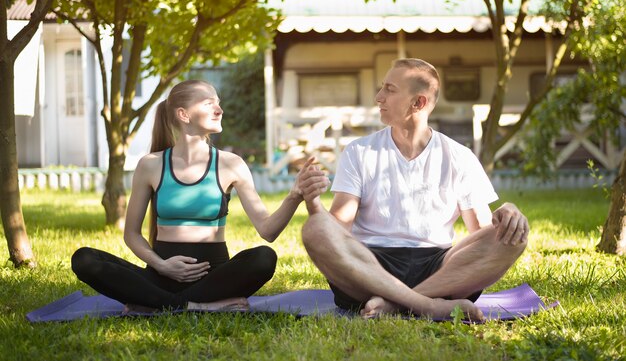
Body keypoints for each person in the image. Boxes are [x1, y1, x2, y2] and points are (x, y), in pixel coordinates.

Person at [298, 58, 529, 321]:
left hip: (440, 270)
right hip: (368, 268)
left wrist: (508, 211)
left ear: (418, 103)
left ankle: (396, 303)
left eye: (389, 89)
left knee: (515, 234)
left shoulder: (458, 156)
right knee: (315, 227)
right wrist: (313, 205)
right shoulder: (359, 152)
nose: (378, 97)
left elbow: (485, 230)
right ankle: (427, 306)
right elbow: (340, 227)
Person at [72, 80, 314, 312]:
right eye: (209, 103)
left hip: (214, 280)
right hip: (161, 274)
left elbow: (268, 231)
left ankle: (157, 305)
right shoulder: (151, 165)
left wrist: (294, 196)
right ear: (184, 115)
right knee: (84, 259)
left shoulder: (230, 164)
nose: (219, 109)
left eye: (218, 103)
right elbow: (131, 235)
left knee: (263, 257)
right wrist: (162, 266)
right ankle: (194, 306)